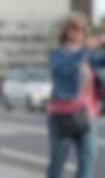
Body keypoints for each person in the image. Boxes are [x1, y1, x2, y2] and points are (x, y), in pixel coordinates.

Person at [47, 13, 103, 178]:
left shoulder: (88, 54)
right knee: (57, 164)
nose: (79, 32)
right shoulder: (56, 53)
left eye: (83, 29)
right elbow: (61, 70)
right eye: (75, 28)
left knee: (89, 158)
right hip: (63, 113)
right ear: (66, 30)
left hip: (87, 114)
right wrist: (84, 51)